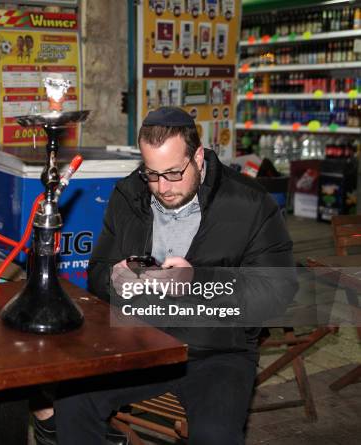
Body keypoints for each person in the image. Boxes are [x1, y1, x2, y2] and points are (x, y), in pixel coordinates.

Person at [50, 107, 298, 444]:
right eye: (152, 174)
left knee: (216, 436)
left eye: (173, 173)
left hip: (217, 353)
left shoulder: (250, 204)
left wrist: (198, 281)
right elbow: (97, 273)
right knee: (72, 401)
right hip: (141, 342)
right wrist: (114, 280)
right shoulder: (129, 194)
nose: (162, 187)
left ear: (197, 157)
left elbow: (277, 292)